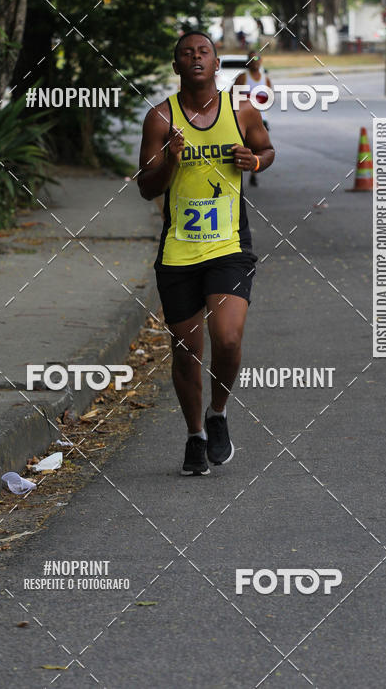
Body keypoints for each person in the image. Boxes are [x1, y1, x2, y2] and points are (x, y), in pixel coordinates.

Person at [138, 31, 275, 475]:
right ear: (176, 67)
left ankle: (218, 413)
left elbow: (267, 150)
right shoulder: (161, 118)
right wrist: (172, 160)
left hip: (229, 247)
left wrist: (254, 162)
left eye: (203, 53)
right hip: (179, 251)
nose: (195, 59)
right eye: (185, 54)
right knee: (186, 351)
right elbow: (146, 187)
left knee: (229, 338)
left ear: (217, 64)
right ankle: (195, 435)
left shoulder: (242, 110)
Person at [235, 50, 273, 186]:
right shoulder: (242, 78)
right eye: (252, 58)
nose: (255, 61)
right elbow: (232, 96)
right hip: (245, 119)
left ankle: (253, 172)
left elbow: (270, 98)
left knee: (258, 148)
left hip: (261, 119)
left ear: (261, 61)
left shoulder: (265, 78)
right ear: (248, 62)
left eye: (257, 58)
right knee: (243, 147)